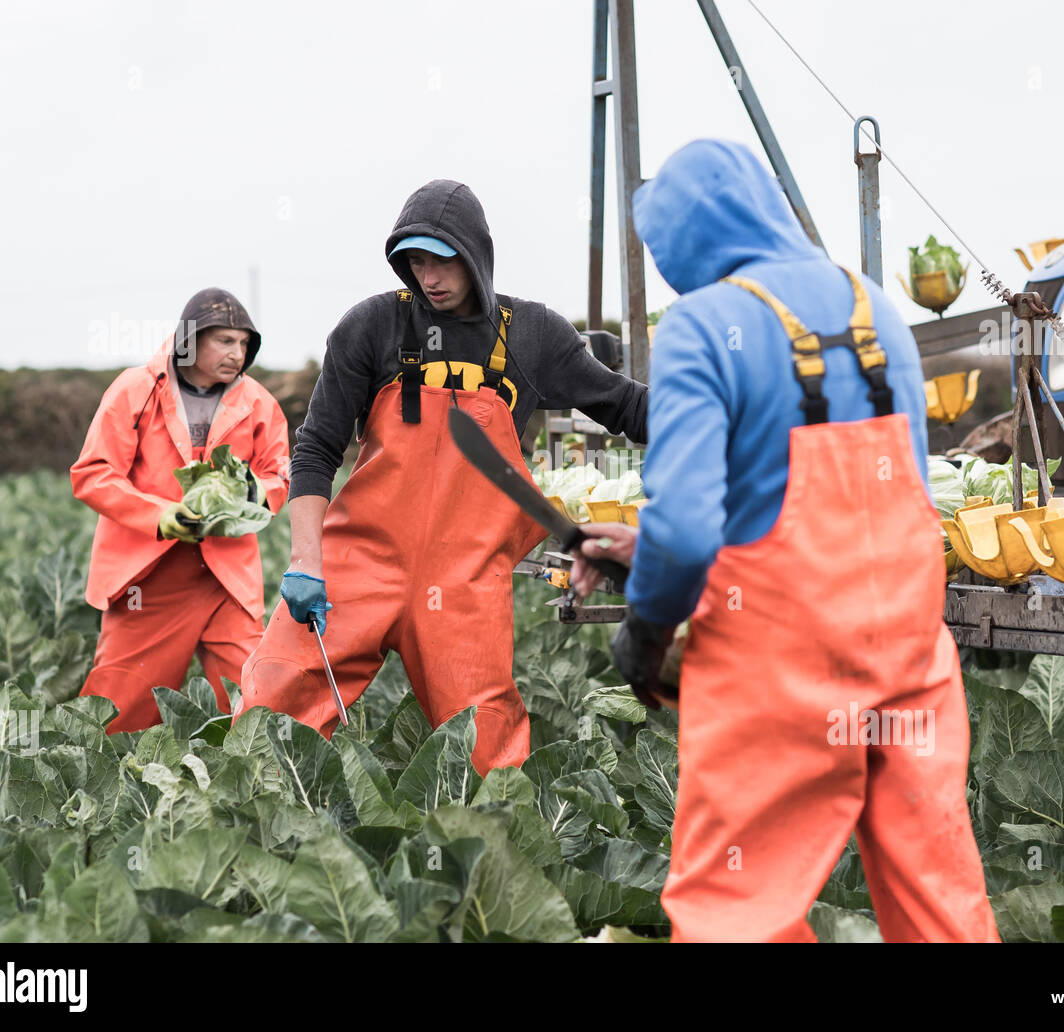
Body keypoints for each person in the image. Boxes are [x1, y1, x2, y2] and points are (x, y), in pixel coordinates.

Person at [570, 139, 999, 943]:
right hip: (909, 665)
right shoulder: (875, 306)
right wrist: (644, 547)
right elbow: (880, 502)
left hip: (780, 675)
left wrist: (649, 625)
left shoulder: (703, 325)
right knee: (939, 902)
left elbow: (692, 526)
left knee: (738, 911)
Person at [235, 179, 648, 775]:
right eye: (416, 262)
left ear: (476, 254)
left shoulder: (532, 334)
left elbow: (627, 407)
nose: (429, 277)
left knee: (484, 750)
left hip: (465, 580)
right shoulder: (371, 326)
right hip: (361, 564)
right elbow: (317, 449)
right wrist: (304, 560)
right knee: (274, 704)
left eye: (443, 260)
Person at [71, 288, 290, 733]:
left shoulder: (259, 402)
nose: (237, 353)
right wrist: (161, 517)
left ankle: (253, 792)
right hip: (148, 580)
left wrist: (246, 497)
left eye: (244, 344)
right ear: (189, 340)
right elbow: (93, 473)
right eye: (225, 341)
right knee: (117, 711)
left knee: (257, 697)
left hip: (226, 577)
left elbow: (279, 475)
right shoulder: (135, 390)